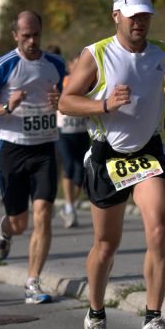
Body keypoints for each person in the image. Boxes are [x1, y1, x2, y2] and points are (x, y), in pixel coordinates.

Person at [59, 0, 165, 329]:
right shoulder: (96, 55)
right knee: (106, 246)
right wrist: (104, 105)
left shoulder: (161, 52)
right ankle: (95, 318)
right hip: (107, 156)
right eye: (132, 16)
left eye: (144, 15)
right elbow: (66, 102)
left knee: (159, 230)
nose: (139, 22)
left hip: (147, 153)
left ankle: (153, 318)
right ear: (116, 16)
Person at [0, 10, 66, 304]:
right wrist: (5, 108)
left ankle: (32, 282)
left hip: (44, 148)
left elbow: (76, 99)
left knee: (43, 215)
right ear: (15, 35)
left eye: (36, 34)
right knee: (20, 223)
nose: (31, 41)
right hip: (11, 147)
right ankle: (5, 231)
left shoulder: (56, 64)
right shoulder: (3, 65)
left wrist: (61, 101)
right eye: (25, 36)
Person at [56, 53, 90, 228]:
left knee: (80, 173)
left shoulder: (88, 81)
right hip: (63, 131)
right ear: (69, 66)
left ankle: (70, 205)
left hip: (82, 131)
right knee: (68, 166)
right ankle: (69, 206)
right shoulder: (62, 81)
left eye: (81, 65)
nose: (78, 68)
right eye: (75, 64)